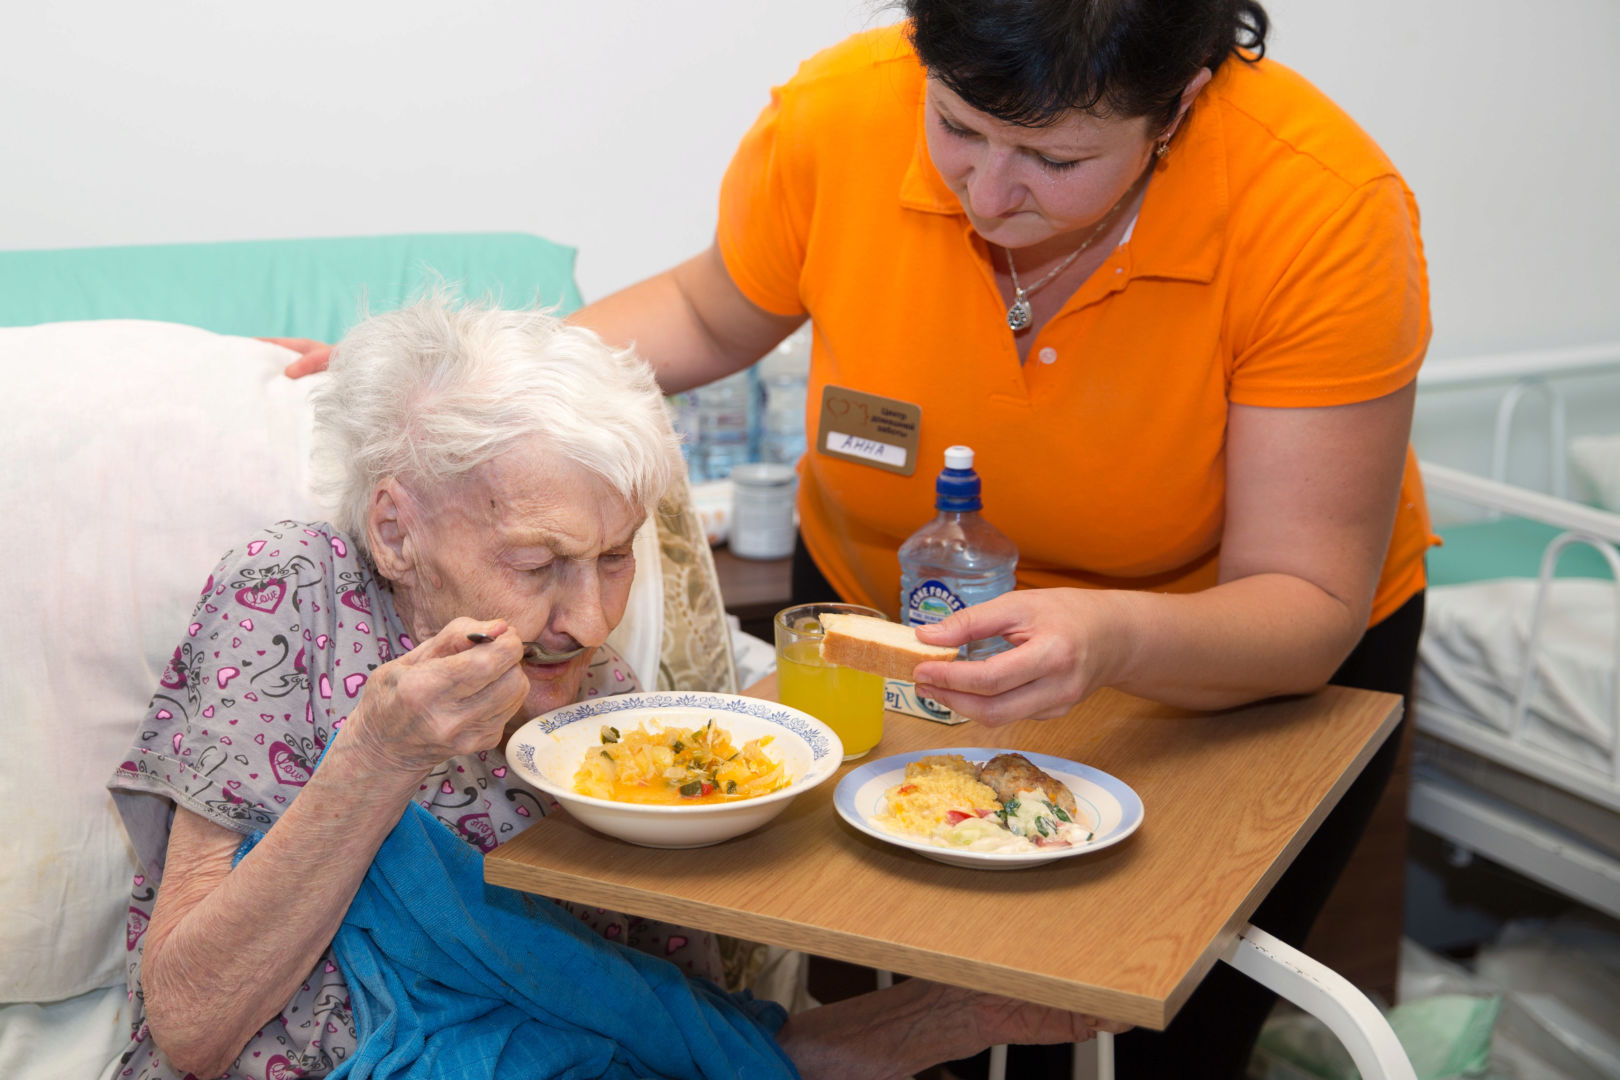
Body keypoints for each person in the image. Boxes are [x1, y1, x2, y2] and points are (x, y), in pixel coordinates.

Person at [275, 1, 1432, 1073]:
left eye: (1056, 160)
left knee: (1132, 1016)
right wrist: (444, 392)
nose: (988, 192)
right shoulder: (843, 111)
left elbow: (1302, 598)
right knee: (895, 1000)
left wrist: (1110, 635)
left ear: (1178, 105)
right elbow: (709, 308)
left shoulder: (1317, 207)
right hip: (891, 628)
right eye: (960, 130)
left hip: (1219, 669)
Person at [113, 296, 1120, 1080]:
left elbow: (634, 999)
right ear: (395, 527)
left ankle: (898, 1028)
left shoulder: (593, 690)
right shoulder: (291, 590)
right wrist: (377, 757)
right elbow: (194, 1025)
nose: (588, 620)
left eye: (614, 559)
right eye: (537, 560)